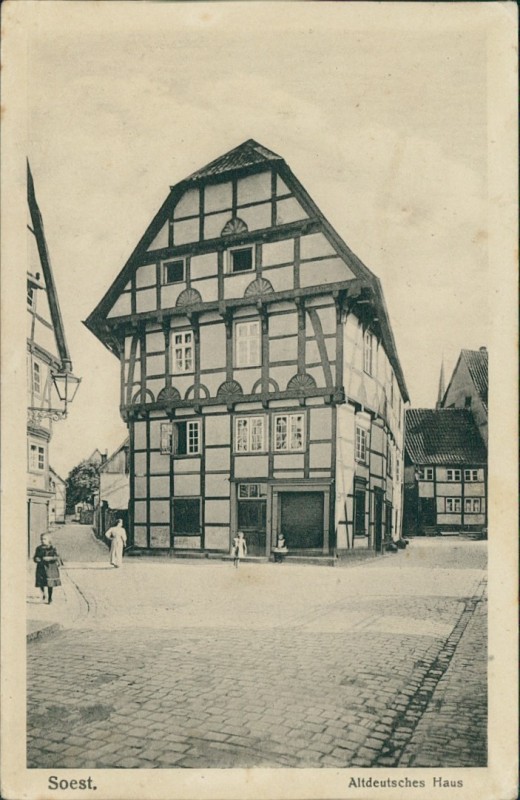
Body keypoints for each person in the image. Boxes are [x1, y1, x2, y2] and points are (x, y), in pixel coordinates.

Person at [33, 533, 62, 604]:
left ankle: (50, 598)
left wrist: (49, 558)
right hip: (41, 567)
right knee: (41, 582)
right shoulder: (39, 548)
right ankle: (43, 593)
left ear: (49, 540)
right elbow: (35, 557)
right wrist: (36, 559)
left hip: (50, 568)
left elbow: (57, 557)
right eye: (41, 539)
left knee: (50, 583)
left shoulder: (52, 548)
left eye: (44, 539)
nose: (42, 540)